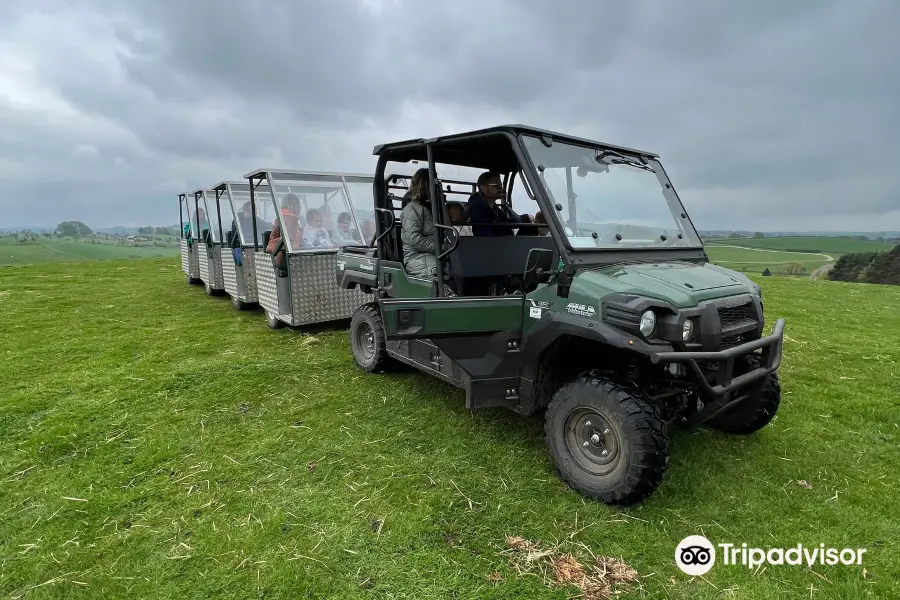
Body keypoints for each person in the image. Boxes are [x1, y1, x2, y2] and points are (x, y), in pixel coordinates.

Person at [467, 172, 527, 236]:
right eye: (496, 186)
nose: (501, 189)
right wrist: (523, 219)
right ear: (483, 188)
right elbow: (492, 230)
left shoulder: (493, 207)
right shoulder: (477, 208)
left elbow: (504, 220)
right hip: (489, 244)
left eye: (501, 186)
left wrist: (523, 219)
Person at [266, 194, 302, 269]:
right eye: (298, 204)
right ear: (294, 205)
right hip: (287, 256)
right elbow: (288, 239)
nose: (300, 207)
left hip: (280, 252)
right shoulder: (290, 218)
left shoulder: (282, 216)